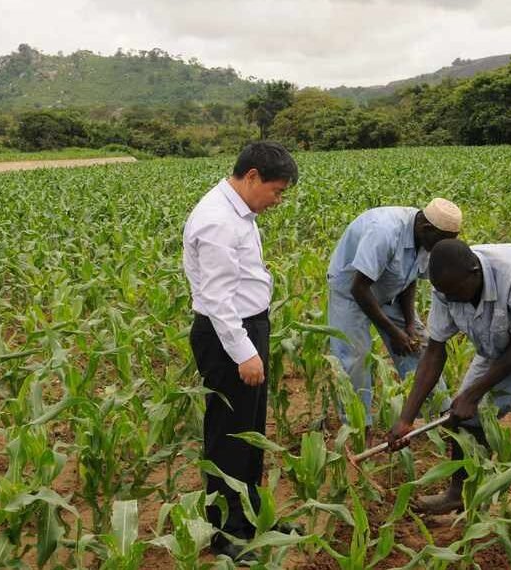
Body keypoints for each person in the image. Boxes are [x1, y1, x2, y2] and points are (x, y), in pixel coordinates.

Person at [387, 239, 511, 560]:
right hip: (502, 341)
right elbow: (435, 351)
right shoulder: (447, 287)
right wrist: (406, 418)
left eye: (456, 293)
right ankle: (459, 491)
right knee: (465, 414)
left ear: (474, 272)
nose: (452, 299)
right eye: (446, 294)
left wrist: (473, 394)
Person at [183, 141, 298, 563]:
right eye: (277, 191)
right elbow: (216, 299)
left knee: (250, 432)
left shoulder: (239, 213)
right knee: (229, 435)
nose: (278, 200)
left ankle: (250, 518)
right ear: (252, 177)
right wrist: (244, 353)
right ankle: (224, 531)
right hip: (228, 335)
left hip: (246, 328)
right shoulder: (217, 220)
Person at [327, 200, 462, 438]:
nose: (443, 249)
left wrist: (409, 325)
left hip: (389, 289)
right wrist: (393, 332)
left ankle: (440, 413)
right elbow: (360, 288)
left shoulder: (428, 238)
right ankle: (358, 428)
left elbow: (408, 278)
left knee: (418, 344)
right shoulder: (384, 232)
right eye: (442, 242)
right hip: (351, 290)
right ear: (426, 228)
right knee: (355, 357)